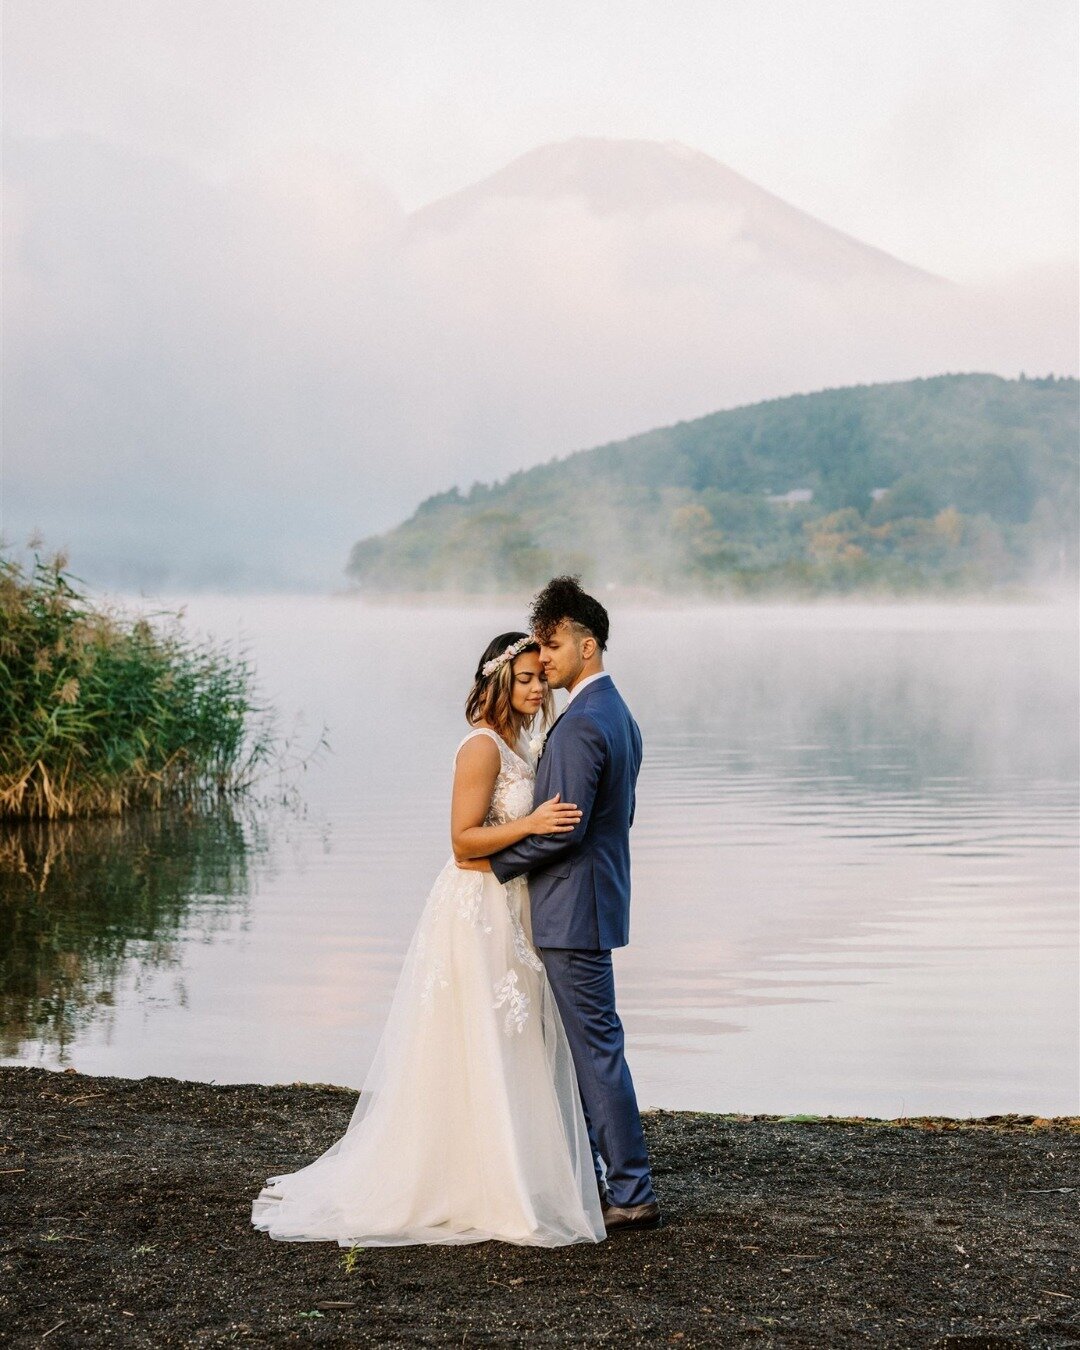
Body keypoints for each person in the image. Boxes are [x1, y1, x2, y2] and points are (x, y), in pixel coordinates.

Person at [251, 632, 605, 1247]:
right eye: (522, 678)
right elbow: (462, 841)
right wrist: (532, 822)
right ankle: (471, 1180)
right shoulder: (481, 747)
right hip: (476, 908)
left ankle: (509, 1169)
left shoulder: (526, 742)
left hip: (511, 903)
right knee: (477, 1035)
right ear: (496, 681)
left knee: (512, 1037)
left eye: (538, 678)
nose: (535, 687)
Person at [471, 576, 660, 1232]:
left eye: (552, 646)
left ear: (587, 645)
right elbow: (621, 815)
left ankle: (630, 1191)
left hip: (570, 907)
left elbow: (568, 827)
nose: (543, 659)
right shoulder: (620, 714)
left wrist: (492, 863)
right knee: (592, 1044)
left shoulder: (580, 724)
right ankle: (601, 1176)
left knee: (594, 1049)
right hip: (594, 899)